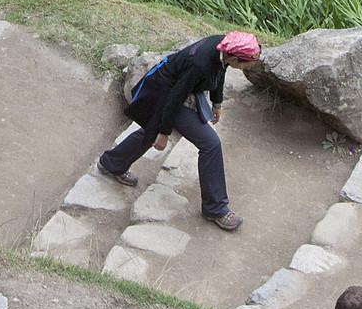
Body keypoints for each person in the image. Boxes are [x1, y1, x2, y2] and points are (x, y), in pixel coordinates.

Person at [96, 32, 262, 230]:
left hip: (179, 89)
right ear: (234, 57)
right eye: (247, 64)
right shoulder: (200, 65)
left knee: (151, 131)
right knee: (210, 144)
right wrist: (164, 132)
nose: (249, 68)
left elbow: (221, 70)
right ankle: (216, 209)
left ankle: (112, 163)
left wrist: (217, 102)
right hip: (165, 95)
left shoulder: (224, 45)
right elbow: (174, 98)